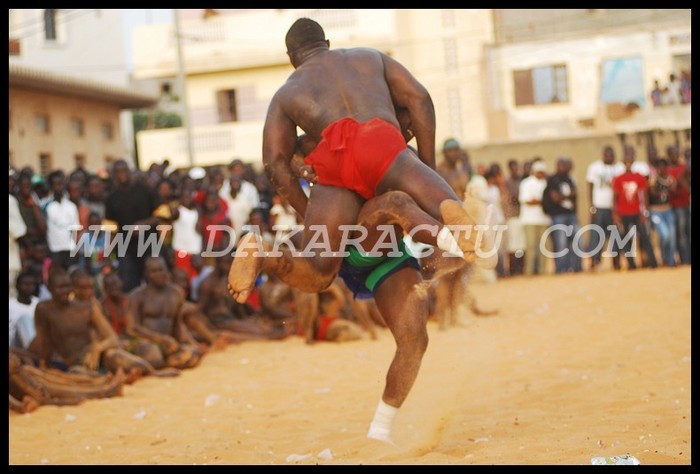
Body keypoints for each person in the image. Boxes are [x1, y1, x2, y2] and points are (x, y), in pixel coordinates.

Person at [127, 257, 203, 370]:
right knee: (154, 355)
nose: (159, 274)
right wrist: (161, 339)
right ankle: (161, 364)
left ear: (167, 270)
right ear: (147, 274)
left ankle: (165, 363)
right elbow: (132, 328)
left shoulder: (176, 293)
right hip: (146, 342)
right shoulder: (137, 296)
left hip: (169, 343)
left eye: (161, 269)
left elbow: (178, 325)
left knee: (194, 352)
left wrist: (190, 342)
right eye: (154, 271)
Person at [612, 149, 658, 270]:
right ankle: (631, 264)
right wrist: (616, 214)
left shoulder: (639, 177)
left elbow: (644, 196)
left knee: (645, 238)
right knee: (626, 240)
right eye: (626, 160)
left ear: (633, 161)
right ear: (623, 162)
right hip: (623, 213)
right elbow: (615, 198)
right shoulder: (618, 179)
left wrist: (645, 212)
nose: (628, 162)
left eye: (630, 160)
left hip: (637, 213)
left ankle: (653, 262)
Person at [543, 157, 581, 274]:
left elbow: (575, 195)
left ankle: (576, 267)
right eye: (561, 165)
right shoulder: (552, 180)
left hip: (571, 215)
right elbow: (555, 198)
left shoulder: (570, 179)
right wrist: (568, 196)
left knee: (576, 241)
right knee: (561, 243)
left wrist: (564, 196)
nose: (563, 168)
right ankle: (561, 268)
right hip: (558, 216)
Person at [519, 160, 551, 275]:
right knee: (531, 246)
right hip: (530, 220)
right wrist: (542, 201)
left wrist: (540, 201)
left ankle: (542, 271)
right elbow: (527, 201)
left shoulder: (546, 183)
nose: (541, 174)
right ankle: (529, 271)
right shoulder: (526, 183)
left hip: (544, 219)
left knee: (543, 246)